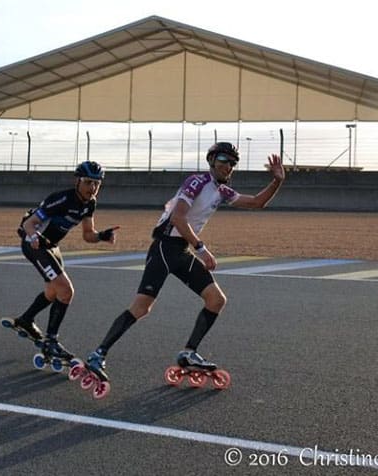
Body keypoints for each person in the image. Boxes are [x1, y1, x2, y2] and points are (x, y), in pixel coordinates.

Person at [84, 142, 285, 381]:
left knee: (216, 299)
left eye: (233, 162)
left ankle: (189, 353)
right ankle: (98, 354)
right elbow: (178, 217)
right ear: (211, 160)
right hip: (164, 247)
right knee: (141, 307)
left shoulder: (222, 191)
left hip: (181, 250)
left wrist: (277, 181)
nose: (228, 166)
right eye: (223, 159)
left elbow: (256, 203)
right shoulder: (197, 182)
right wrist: (201, 249)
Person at [6, 160, 120, 362]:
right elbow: (29, 224)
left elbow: (87, 234)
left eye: (97, 183)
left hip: (51, 247)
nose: (92, 188)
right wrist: (33, 237)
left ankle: (25, 320)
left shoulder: (90, 203)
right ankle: (51, 342)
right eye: (87, 182)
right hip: (36, 245)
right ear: (77, 181)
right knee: (66, 290)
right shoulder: (61, 199)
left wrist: (102, 235)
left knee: (53, 291)